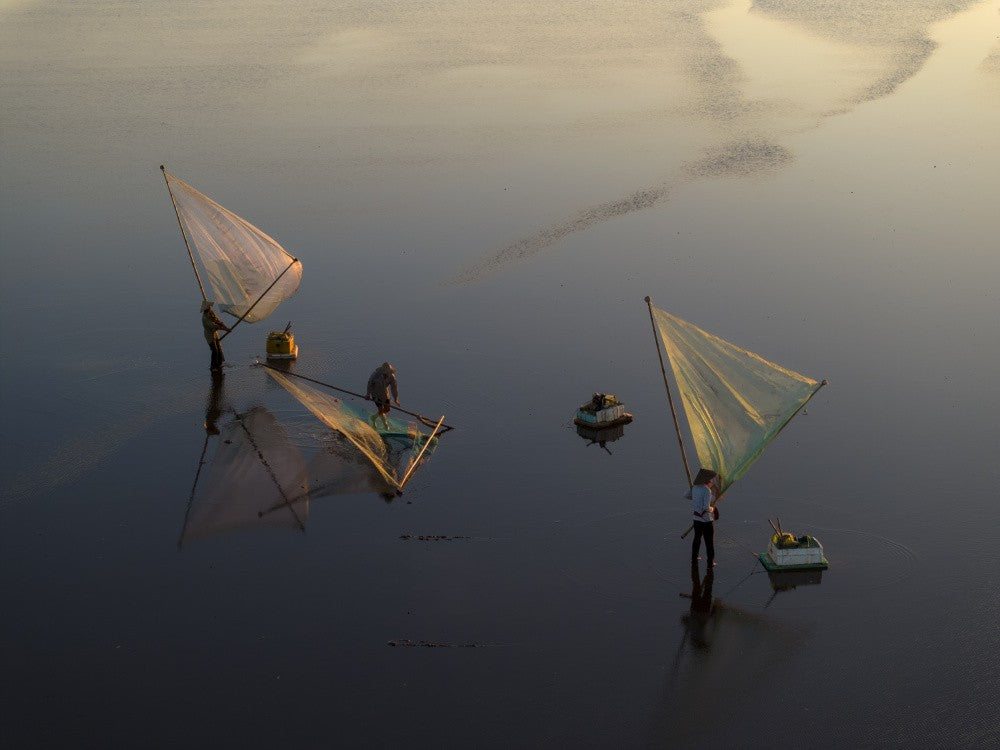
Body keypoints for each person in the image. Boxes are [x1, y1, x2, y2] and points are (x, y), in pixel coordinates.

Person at [687, 468, 720, 567]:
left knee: (697, 538)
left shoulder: (695, 487)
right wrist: (712, 508)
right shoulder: (706, 490)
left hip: (696, 519)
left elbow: (686, 495)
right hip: (706, 521)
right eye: (710, 479)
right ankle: (710, 562)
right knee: (709, 542)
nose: (711, 481)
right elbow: (706, 507)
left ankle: (695, 557)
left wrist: (695, 497)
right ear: (706, 480)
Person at [365, 361, 399, 430]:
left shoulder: (392, 376)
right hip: (376, 393)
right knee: (380, 409)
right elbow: (370, 384)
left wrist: (396, 398)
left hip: (385, 394)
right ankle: (386, 425)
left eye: (389, 372)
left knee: (387, 409)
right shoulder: (375, 375)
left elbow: (394, 388)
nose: (387, 374)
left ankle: (373, 417)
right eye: (386, 372)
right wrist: (368, 394)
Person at [201, 300, 231, 372]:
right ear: (207, 309)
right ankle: (213, 367)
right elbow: (214, 326)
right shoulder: (205, 318)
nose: (210, 308)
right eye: (209, 307)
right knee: (215, 351)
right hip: (210, 336)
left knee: (219, 348)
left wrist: (224, 326)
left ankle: (219, 364)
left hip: (215, 334)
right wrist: (225, 329)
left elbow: (217, 321)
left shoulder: (211, 313)